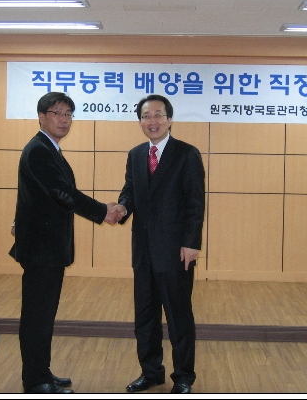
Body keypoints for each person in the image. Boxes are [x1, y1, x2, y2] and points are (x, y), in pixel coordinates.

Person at [10, 91, 123, 394]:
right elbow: (61, 193)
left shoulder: (49, 148)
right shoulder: (39, 150)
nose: (64, 119)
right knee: (37, 316)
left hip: (46, 247)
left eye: (68, 114)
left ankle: (41, 371)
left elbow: (39, 196)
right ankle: (36, 380)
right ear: (41, 116)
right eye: (57, 113)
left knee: (43, 315)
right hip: (42, 250)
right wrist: (102, 211)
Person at [115, 94, 205, 394]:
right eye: (146, 116)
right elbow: (130, 190)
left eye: (158, 115)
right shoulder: (136, 154)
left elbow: (195, 203)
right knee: (145, 316)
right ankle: (151, 372)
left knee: (179, 317)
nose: (152, 121)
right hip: (143, 251)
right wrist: (122, 207)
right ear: (140, 122)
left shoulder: (187, 154)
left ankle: (183, 377)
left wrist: (191, 243)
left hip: (176, 251)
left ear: (169, 119)